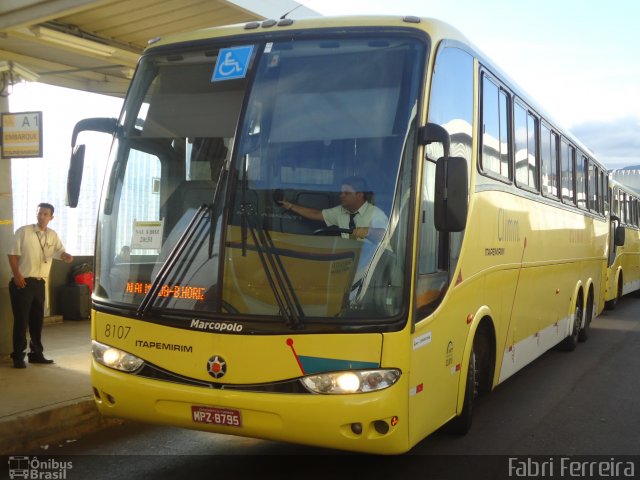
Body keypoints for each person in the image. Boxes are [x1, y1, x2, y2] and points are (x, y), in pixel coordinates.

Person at [7, 203, 74, 368]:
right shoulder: (24, 232)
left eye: (45, 214)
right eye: (39, 213)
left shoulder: (52, 235)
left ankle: (36, 353)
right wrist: (17, 275)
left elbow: (58, 251)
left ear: (51, 217)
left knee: (37, 320)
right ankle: (18, 356)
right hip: (22, 281)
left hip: (39, 282)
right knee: (21, 320)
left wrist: (66, 256)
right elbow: (12, 254)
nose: (42, 216)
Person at [278, 176, 388, 241]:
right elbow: (316, 214)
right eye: (341, 192)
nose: (341, 195)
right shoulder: (340, 211)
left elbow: (385, 237)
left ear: (360, 195)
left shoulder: (376, 214)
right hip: (348, 259)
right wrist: (290, 206)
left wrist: (369, 232)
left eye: (347, 193)